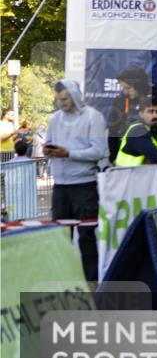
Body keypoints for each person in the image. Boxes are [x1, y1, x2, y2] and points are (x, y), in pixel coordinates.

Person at [44, 80, 108, 282]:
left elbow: (98, 151)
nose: (61, 103)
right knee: (61, 236)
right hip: (60, 185)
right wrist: (48, 150)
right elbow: (47, 143)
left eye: (65, 99)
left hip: (84, 184)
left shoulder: (93, 117)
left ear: (74, 96)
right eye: (58, 99)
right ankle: (62, 279)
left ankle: (91, 281)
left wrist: (69, 153)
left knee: (87, 236)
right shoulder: (55, 119)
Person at [114, 96, 157, 166]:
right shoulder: (137, 130)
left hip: (145, 174)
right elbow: (156, 157)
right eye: (150, 111)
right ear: (141, 114)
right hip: (125, 174)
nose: (155, 115)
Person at [106, 65, 151, 163]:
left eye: (128, 88)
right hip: (124, 161)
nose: (125, 92)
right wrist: (114, 157)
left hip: (148, 163)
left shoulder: (156, 101)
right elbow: (113, 131)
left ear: (139, 85)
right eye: (123, 88)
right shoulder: (120, 100)